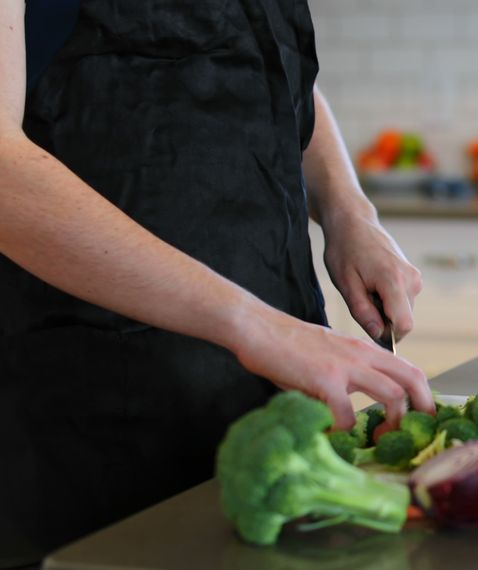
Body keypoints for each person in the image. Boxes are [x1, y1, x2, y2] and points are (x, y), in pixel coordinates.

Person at [0, 1, 434, 565]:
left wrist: (348, 208)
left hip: (267, 402)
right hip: (88, 427)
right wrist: (256, 326)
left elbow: (260, 61)